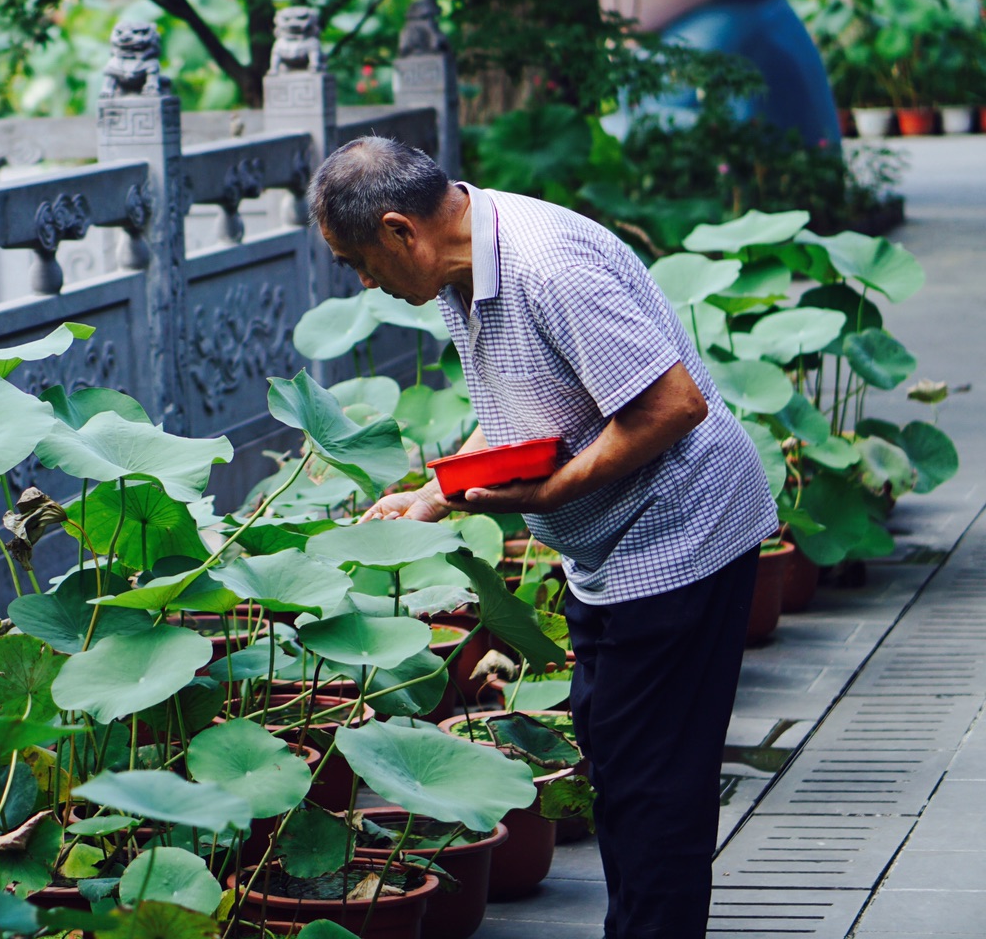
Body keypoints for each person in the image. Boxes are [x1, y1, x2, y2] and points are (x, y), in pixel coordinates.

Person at [310, 136, 775, 939]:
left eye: (358, 259)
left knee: (654, 788)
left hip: (680, 535)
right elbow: (534, 417)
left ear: (398, 231)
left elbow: (674, 407)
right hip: (612, 546)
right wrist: (434, 493)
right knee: (616, 758)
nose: (363, 282)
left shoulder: (546, 266)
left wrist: (555, 491)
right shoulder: (464, 269)